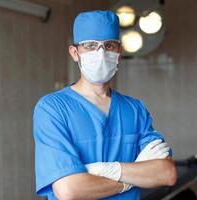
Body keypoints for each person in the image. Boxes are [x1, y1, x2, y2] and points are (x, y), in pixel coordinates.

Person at [33, 10, 177, 200]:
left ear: (119, 52)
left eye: (109, 46)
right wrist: (131, 176)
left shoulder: (135, 109)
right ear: (75, 53)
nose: (100, 53)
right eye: (90, 46)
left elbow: (166, 173)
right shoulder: (52, 109)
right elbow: (69, 190)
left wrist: (103, 170)